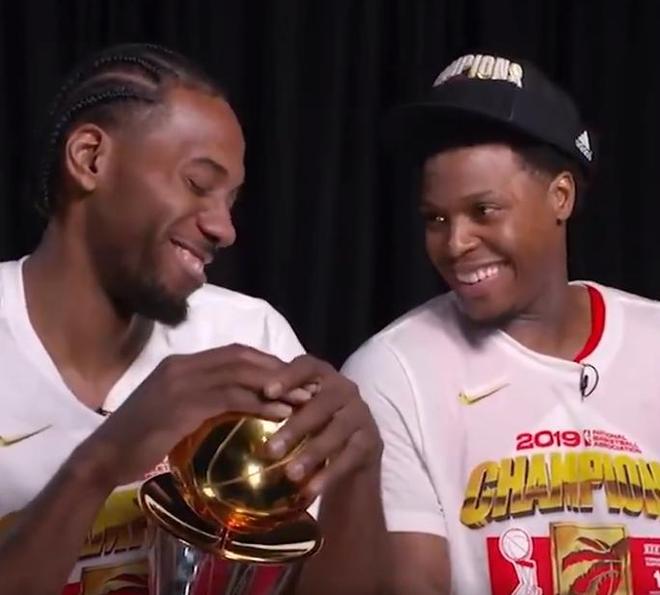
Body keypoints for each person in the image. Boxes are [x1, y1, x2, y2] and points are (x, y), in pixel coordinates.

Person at [0, 43, 384, 595]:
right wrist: (102, 462)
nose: (223, 228)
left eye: (231, 200)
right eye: (198, 184)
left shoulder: (248, 335)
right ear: (90, 158)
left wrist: (356, 475)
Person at [342, 52, 660, 594]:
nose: (455, 243)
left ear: (561, 197)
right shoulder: (392, 373)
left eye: (483, 211)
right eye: (436, 219)